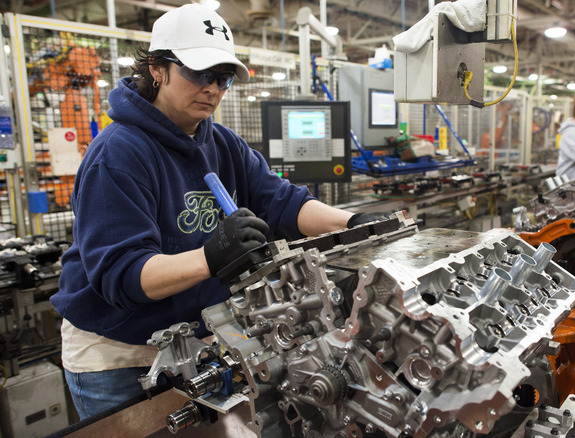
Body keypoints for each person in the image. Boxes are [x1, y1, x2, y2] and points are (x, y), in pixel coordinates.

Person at [50, 4, 381, 419]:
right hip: (118, 350)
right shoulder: (117, 154)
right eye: (200, 73)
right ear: (157, 68)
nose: (213, 89)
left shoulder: (222, 143)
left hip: (194, 341)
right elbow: (122, 275)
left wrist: (354, 225)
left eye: (223, 78)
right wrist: (211, 257)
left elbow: (284, 202)